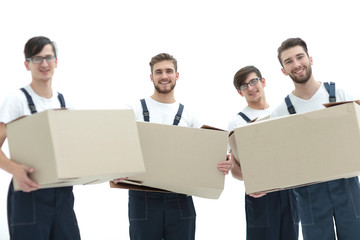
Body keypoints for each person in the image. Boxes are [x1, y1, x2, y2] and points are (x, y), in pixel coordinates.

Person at [114, 53, 231, 240]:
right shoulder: (133, 109)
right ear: (151, 77)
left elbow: (210, 151)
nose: (164, 76)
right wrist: (115, 169)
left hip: (180, 198)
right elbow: (114, 147)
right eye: (158, 72)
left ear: (177, 75)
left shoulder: (190, 115)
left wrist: (224, 162)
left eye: (169, 71)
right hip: (142, 199)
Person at [271, 37, 360, 240]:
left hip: (347, 185)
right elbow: (277, 159)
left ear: (310, 59)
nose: (296, 64)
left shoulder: (339, 94)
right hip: (308, 192)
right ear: (283, 70)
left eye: (299, 57)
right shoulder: (280, 112)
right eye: (289, 61)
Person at [0, 36, 81, 240]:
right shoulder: (16, 100)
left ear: (56, 61)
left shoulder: (65, 102)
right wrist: (15, 169)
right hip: (29, 194)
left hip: (62, 194)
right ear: (27, 64)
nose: (44, 64)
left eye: (48, 58)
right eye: (37, 59)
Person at [228, 65, 299, 240]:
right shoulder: (237, 123)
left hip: (289, 192)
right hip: (260, 195)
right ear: (240, 92)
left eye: (253, 81)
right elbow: (234, 170)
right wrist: (252, 181)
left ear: (263, 82)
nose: (251, 88)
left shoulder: (281, 113)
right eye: (244, 86)